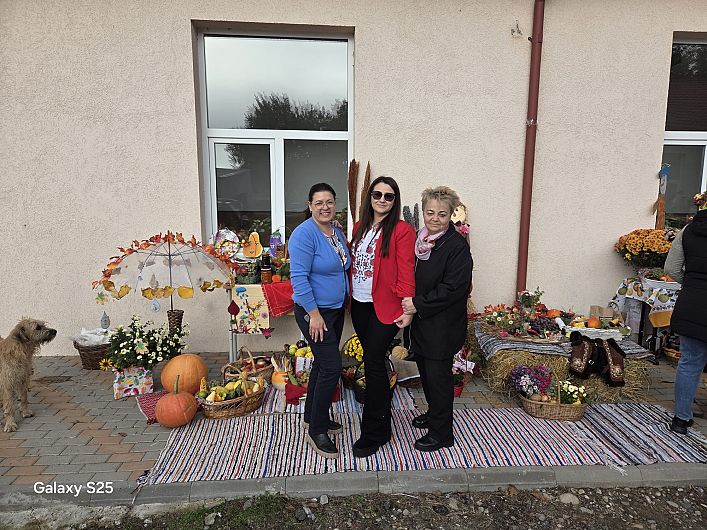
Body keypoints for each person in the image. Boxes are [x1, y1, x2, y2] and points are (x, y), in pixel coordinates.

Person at [402, 186, 472, 452]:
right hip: (422, 322)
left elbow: (453, 289)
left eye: (442, 214)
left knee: (439, 380)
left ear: (450, 215)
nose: (435, 218)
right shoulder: (420, 241)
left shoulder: (456, 246)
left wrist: (417, 304)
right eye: (430, 212)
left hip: (442, 326)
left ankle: (442, 433)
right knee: (427, 375)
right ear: (423, 212)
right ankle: (434, 414)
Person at [349, 176, 416, 458]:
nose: (382, 200)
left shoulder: (402, 230)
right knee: (372, 362)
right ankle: (383, 425)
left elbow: (407, 269)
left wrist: (408, 309)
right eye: (377, 194)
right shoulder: (359, 227)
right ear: (370, 197)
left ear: (395, 201)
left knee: (374, 362)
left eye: (389, 196)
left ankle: (374, 432)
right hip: (359, 304)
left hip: (386, 306)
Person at [289, 183, 352, 458]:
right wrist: (314, 314)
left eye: (329, 202)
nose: (325, 207)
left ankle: (312, 416)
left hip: (334, 310)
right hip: (315, 313)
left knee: (322, 364)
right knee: (331, 367)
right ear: (310, 205)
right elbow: (298, 277)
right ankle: (317, 429)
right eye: (319, 203)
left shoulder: (335, 232)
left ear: (335, 204)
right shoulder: (304, 234)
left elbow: (342, 265)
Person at [664, 191, 707, 435]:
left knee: (690, 362)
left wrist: (690, 283)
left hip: (692, 303)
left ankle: (681, 419)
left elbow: (671, 268)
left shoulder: (688, 230)